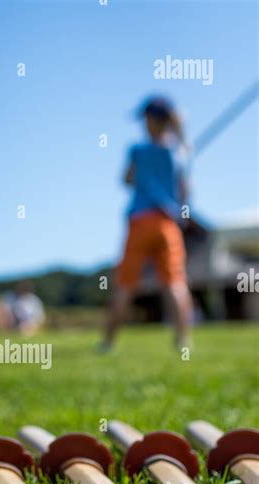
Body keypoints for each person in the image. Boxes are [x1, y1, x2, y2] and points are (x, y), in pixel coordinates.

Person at [102, 96, 194, 351]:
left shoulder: (138, 151)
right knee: (175, 282)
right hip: (168, 223)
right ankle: (183, 341)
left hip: (141, 220)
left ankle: (108, 342)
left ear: (152, 120)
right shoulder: (178, 153)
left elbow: (127, 180)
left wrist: (145, 179)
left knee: (126, 283)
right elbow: (185, 192)